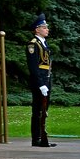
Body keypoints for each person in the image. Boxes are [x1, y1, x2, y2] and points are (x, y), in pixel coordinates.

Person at [26, 13, 55, 148]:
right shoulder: (33, 44)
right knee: (37, 110)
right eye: (44, 27)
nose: (47, 29)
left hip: (46, 79)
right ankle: (36, 138)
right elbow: (33, 67)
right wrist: (41, 84)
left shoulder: (43, 43)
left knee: (44, 110)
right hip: (39, 81)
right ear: (37, 30)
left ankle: (42, 137)